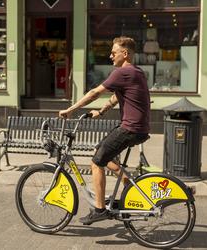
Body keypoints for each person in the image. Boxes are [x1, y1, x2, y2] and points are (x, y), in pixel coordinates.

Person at [59, 36, 150, 225]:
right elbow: (117, 97)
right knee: (100, 152)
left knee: (96, 162)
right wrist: (101, 112)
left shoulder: (122, 72)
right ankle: (128, 186)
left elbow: (94, 93)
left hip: (130, 128)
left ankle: (99, 209)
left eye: (113, 52)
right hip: (137, 127)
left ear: (125, 54)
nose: (110, 56)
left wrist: (71, 110)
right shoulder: (137, 72)